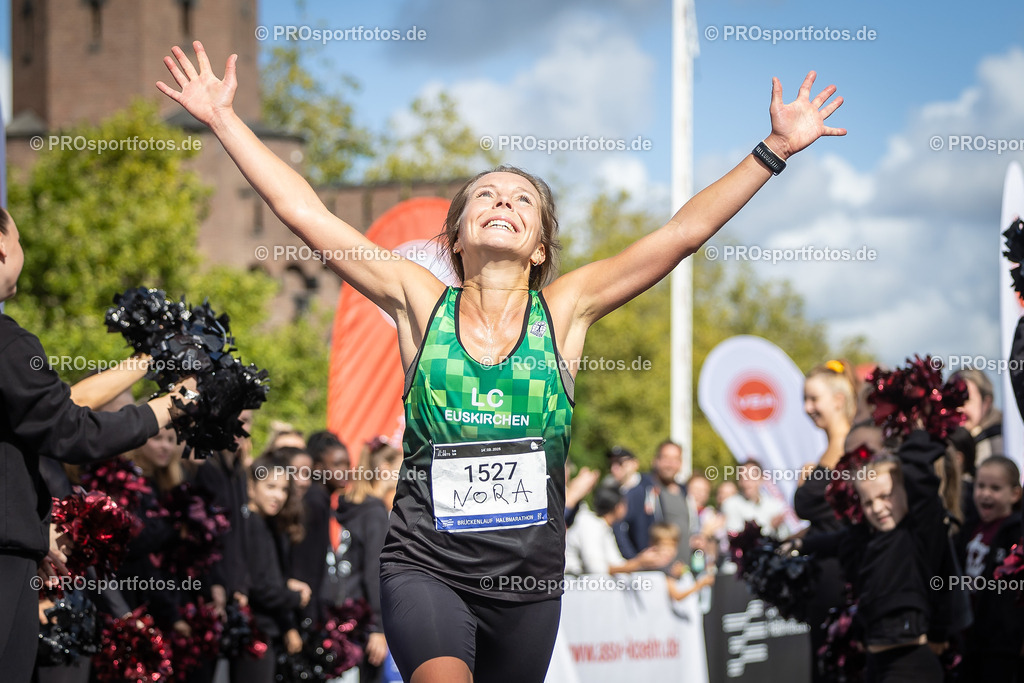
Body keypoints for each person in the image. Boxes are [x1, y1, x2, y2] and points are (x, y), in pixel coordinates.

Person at [157, 41, 845, 683]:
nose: (503, 202)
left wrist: (774, 150)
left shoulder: (565, 311)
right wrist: (224, 119)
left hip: (527, 585)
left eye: (521, 199)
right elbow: (305, 213)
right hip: (425, 566)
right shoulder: (419, 301)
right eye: (485, 194)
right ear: (456, 237)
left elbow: (681, 234)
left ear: (541, 245)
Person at [0, 206, 192, 682]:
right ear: (2, 247)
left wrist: (32, 528)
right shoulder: (7, 343)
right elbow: (71, 428)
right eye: (20, 241)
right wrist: (179, 403)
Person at [793, 430, 953, 683]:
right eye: (868, 502)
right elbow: (835, 540)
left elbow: (920, 473)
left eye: (885, 496)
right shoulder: (867, 539)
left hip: (910, 666)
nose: (877, 508)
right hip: (876, 664)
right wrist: (798, 544)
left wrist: (915, 422)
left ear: (906, 492)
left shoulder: (917, 535)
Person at [793, 359, 859, 683]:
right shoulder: (824, 453)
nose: (807, 408)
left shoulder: (854, 450)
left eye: (813, 399)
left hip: (843, 577)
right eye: (804, 399)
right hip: (820, 578)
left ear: (838, 400)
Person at [238, 452, 310, 682]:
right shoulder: (250, 525)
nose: (278, 496)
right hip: (253, 636)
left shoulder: (268, 524)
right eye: (270, 487)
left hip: (266, 632)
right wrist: (295, 598)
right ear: (251, 487)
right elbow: (261, 588)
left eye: (284, 489)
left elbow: (270, 576)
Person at [954, 456, 1024, 682]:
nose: (985, 494)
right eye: (980, 486)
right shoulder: (969, 527)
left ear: (1015, 494)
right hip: (970, 637)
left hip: (1002, 643)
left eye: (995, 488)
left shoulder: (1017, 533)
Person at [564, 487, 672, 575]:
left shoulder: (603, 527)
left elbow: (617, 564)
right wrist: (639, 562)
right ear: (618, 507)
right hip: (576, 588)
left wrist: (643, 562)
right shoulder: (589, 524)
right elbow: (596, 569)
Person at [622, 440, 692, 562]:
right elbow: (620, 526)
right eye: (666, 458)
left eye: (675, 459)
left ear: (680, 463)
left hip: (683, 567)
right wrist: (634, 560)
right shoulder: (642, 490)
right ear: (656, 460)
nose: (670, 464)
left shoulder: (684, 491)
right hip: (654, 569)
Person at [721, 458, 790, 538]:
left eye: (752, 477)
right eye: (743, 477)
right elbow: (737, 539)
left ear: (761, 479)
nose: (747, 482)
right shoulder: (731, 504)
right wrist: (770, 527)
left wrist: (777, 528)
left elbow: (784, 536)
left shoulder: (774, 505)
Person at [952, 369, 1003, 463]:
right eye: (952, 400)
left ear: (986, 403)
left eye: (966, 400)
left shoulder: (998, 444)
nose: (959, 409)